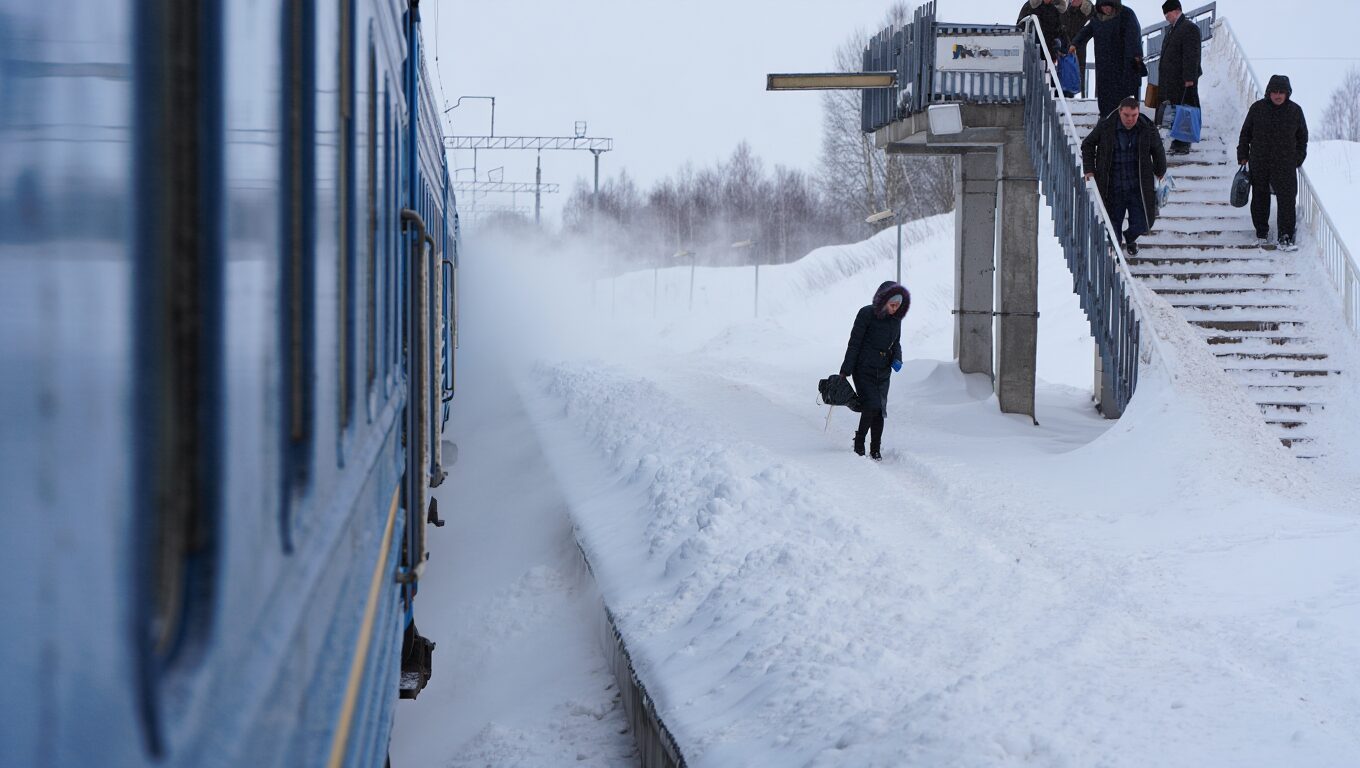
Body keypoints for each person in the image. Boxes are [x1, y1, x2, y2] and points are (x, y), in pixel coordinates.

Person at [1082, 96, 1168, 255]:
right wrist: (1089, 169)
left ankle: (1130, 237)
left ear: (1138, 113)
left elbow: (1158, 149)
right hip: (1112, 185)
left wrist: (1160, 170)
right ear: (1120, 112)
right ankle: (1115, 254)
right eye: (1126, 115)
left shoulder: (1147, 127)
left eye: (1134, 115)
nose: (1130, 119)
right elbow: (1087, 144)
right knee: (1113, 224)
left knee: (1144, 222)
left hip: (1138, 185)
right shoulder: (1106, 126)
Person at [1237, 74, 1308, 251]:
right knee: (1260, 198)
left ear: (1287, 93)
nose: (1278, 95)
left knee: (1287, 199)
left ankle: (1285, 236)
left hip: (1285, 164)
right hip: (1260, 161)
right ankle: (1261, 233)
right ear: (1269, 92)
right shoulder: (1257, 109)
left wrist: (1297, 159)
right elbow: (1245, 133)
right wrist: (1243, 155)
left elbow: (1302, 138)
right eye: (1275, 92)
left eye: (1281, 92)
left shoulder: (1295, 111)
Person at [840, 281, 910, 461]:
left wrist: (897, 358)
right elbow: (854, 343)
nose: (895, 309)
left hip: (884, 370)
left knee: (879, 410)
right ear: (883, 300)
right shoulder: (866, 314)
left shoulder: (896, 320)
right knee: (871, 405)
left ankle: (875, 449)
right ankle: (859, 444)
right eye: (892, 304)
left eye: (898, 306)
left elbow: (896, 343)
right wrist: (845, 370)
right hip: (863, 368)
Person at [1070, 0, 1145, 118]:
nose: (1107, 10)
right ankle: (1105, 119)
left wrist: (1136, 56)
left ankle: (1122, 118)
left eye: (1109, 6)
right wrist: (1074, 44)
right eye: (1104, 7)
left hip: (1123, 65)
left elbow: (1134, 37)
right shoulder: (1097, 18)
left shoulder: (1126, 14)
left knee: (1122, 95)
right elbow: (1086, 32)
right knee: (1105, 96)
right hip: (1104, 65)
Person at [1157, 0, 1202, 155]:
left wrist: (1189, 77)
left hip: (1183, 81)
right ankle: (1177, 141)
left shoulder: (1189, 28)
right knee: (1176, 112)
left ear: (1176, 10)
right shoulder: (1173, 29)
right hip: (1172, 81)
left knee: (1185, 112)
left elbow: (1192, 54)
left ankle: (1183, 143)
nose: (1166, 17)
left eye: (1167, 13)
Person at [1059, 0, 1095, 94]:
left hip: (1078, 48)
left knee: (1077, 75)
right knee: (1060, 76)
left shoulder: (1088, 8)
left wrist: (1079, 42)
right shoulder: (1059, 4)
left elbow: (1093, 27)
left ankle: (1079, 94)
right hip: (1059, 47)